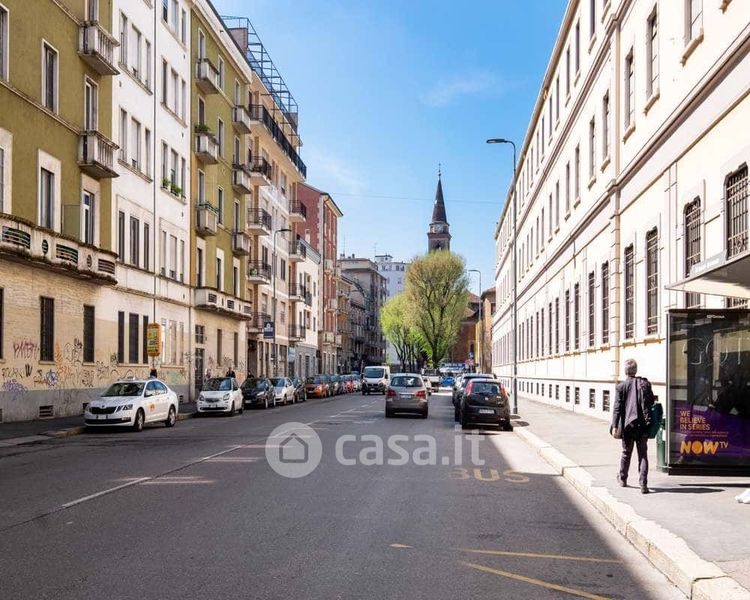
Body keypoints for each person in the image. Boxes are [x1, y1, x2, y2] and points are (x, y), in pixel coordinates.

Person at [611, 359, 654, 494]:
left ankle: (623, 479)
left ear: (625, 371)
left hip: (628, 425)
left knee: (626, 453)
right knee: (643, 455)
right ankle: (643, 484)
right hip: (642, 425)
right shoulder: (645, 384)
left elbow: (617, 408)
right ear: (636, 370)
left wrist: (614, 426)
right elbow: (652, 401)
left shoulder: (621, 387)